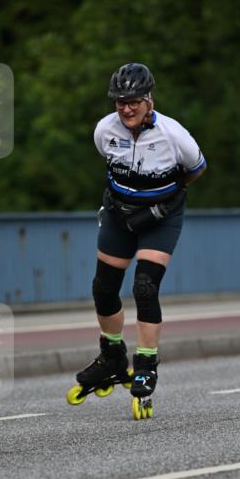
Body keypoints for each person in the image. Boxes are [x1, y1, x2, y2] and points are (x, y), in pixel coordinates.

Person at [67, 62, 207, 418]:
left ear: (149, 100)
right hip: (119, 213)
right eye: (120, 102)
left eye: (133, 101)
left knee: (144, 287)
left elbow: (197, 168)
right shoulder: (104, 130)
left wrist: (168, 198)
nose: (126, 109)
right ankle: (112, 356)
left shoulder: (173, 135)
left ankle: (146, 363)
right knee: (103, 289)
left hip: (160, 218)